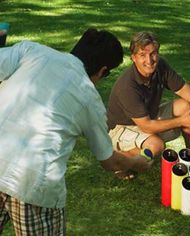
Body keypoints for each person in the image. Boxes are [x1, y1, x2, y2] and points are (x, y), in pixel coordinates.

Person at [0, 28, 152, 235]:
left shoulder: (31, 51)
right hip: (35, 184)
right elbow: (109, 161)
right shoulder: (89, 97)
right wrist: (136, 162)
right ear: (102, 71)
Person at [107, 31, 190, 159]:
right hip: (122, 129)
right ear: (133, 58)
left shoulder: (160, 66)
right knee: (156, 146)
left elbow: (186, 91)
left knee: (188, 106)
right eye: (142, 55)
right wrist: (182, 121)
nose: (149, 60)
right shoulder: (127, 86)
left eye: (153, 53)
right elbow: (147, 126)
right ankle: (120, 159)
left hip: (148, 117)